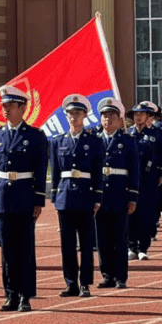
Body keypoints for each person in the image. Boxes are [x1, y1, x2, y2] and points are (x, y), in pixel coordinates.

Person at [0, 85, 48, 312]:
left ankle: (25, 295)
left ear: (23, 108)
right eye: (4, 106)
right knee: (7, 250)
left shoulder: (35, 136)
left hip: (25, 196)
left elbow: (41, 169)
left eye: (11, 105)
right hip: (3, 197)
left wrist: (38, 199)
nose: (6, 109)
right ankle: (10, 294)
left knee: (25, 249)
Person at [50, 94, 102, 297]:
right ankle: (71, 283)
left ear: (84, 116)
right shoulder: (58, 141)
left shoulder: (94, 141)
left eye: (78, 113)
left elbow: (97, 171)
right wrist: (54, 196)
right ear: (66, 116)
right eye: (71, 113)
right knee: (67, 244)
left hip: (86, 196)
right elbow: (55, 172)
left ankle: (85, 283)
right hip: (65, 197)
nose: (74, 117)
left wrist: (98, 197)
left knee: (86, 244)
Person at [95, 98, 139, 289]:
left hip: (119, 194)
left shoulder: (127, 141)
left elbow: (134, 170)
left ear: (119, 119)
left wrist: (133, 197)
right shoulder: (94, 140)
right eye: (104, 116)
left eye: (112, 116)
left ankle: (121, 276)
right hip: (99, 196)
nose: (107, 119)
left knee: (120, 238)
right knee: (102, 238)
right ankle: (107, 275)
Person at [129, 101, 162, 260]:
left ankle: (143, 247)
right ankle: (131, 246)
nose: (138, 117)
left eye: (141, 114)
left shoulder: (155, 134)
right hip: (130, 179)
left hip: (148, 179)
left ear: (147, 116)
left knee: (145, 214)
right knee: (130, 213)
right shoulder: (128, 134)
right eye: (136, 114)